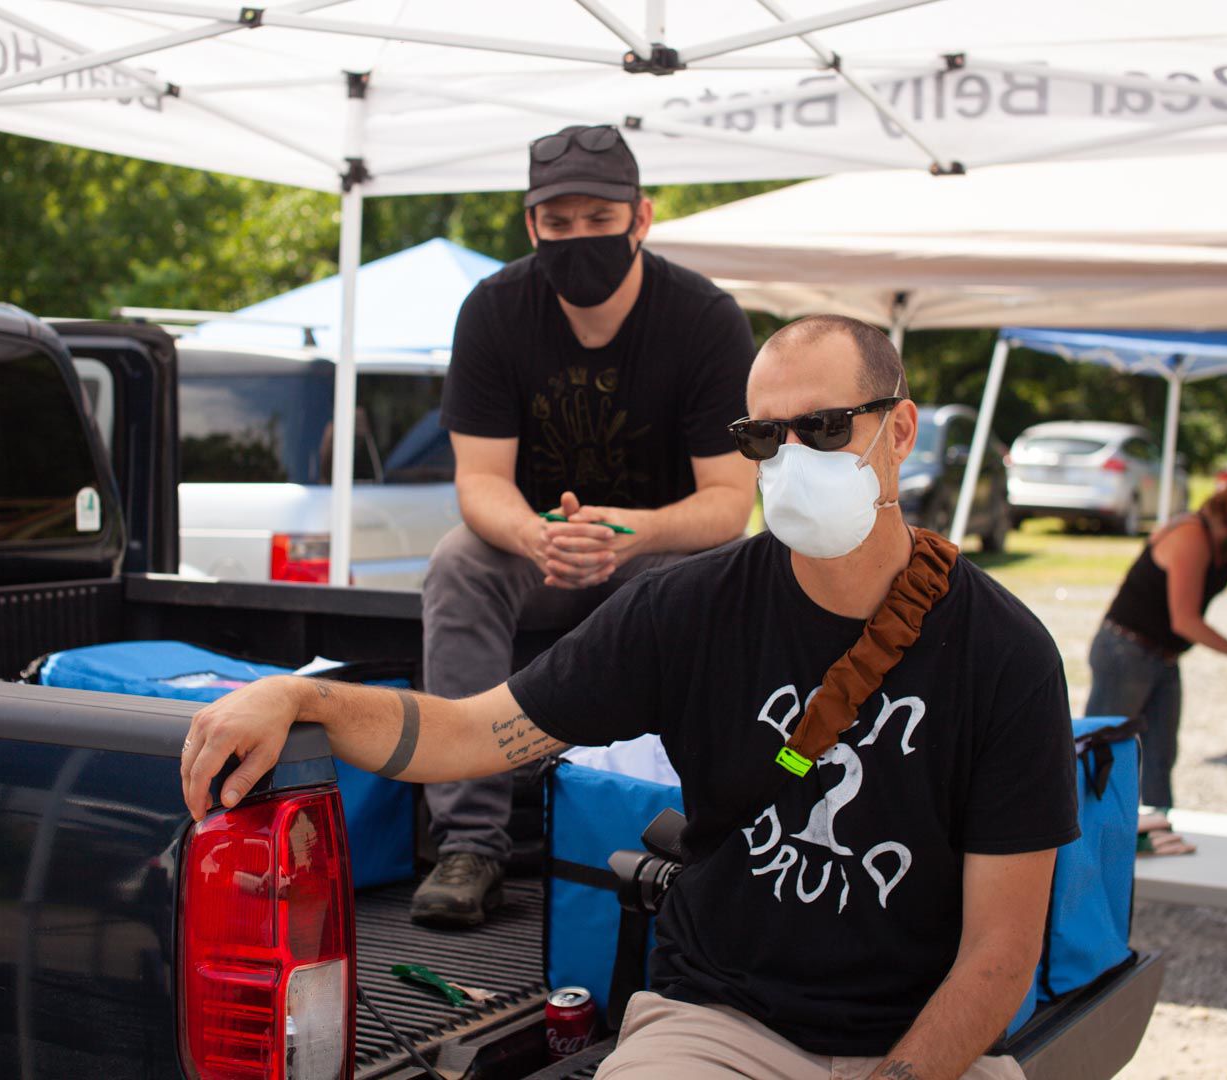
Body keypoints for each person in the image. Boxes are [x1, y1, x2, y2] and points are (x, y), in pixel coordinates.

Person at [181, 315, 1080, 1080]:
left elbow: (1000, 957)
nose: (793, 457)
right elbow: (467, 734)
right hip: (721, 1025)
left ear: (902, 429)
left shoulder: (1005, 655)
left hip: (925, 1042)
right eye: (766, 437)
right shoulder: (689, 607)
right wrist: (302, 699)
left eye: (826, 427)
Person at [413, 124, 758, 927]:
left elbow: (728, 503)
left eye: (597, 220)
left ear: (640, 218)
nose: (577, 240)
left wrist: (626, 532)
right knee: (459, 562)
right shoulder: (496, 311)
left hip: (655, 555)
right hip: (539, 552)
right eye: (557, 223)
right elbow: (480, 482)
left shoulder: (704, 319)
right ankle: (470, 845)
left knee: (718, 570)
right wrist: (539, 536)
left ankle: (706, 824)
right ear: (531, 225)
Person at [1084, 477, 1227, 849]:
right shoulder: (1190, 536)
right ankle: (1087, 840)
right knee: (1102, 754)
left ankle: (1154, 833)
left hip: (1163, 657)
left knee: (1159, 756)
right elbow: (1184, 619)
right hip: (1127, 651)